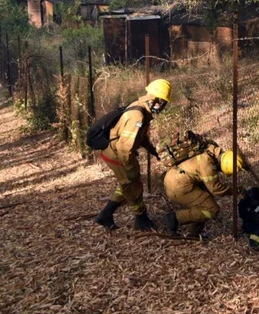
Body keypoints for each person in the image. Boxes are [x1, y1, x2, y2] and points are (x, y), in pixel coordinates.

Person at [94, 79, 170, 231]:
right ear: (154, 99)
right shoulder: (137, 116)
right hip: (117, 154)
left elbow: (139, 137)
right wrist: (130, 169)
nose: (162, 106)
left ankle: (106, 214)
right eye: (162, 102)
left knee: (126, 184)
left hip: (118, 151)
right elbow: (124, 148)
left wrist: (152, 150)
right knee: (132, 185)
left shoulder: (142, 109)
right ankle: (141, 219)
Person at [160, 133, 245, 237]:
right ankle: (174, 218)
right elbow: (216, 189)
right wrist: (235, 191)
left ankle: (193, 234)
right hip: (177, 187)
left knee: (204, 204)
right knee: (211, 209)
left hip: (175, 180)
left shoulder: (210, 150)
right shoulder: (207, 164)